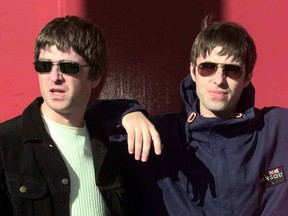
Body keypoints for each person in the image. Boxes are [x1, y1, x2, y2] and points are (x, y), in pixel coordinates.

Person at [96, 17, 288, 215]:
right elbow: (79, 117)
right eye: (208, 67)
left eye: (232, 70)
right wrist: (126, 113)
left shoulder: (277, 129)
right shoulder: (159, 135)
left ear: (247, 77)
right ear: (193, 72)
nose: (219, 79)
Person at [0, 15, 161, 216]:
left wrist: (131, 111)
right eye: (44, 66)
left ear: (94, 76)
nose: (54, 77)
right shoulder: (6, 145)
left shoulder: (111, 145)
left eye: (68, 67)